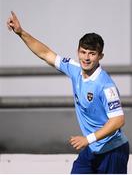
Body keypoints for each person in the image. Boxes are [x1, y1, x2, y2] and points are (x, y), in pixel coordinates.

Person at [7, 11, 129, 174]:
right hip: (92, 149)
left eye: (92, 54)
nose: (86, 58)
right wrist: (21, 33)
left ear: (100, 56)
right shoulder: (74, 68)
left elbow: (119, 120)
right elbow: (46, 54)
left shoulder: (105, 85)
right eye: (83, 52)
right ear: (78, 51)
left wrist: (88, 139)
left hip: (113, 151)